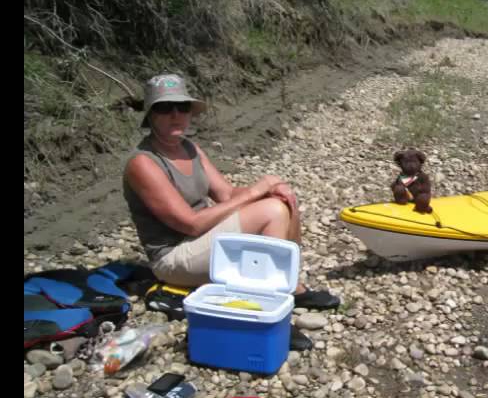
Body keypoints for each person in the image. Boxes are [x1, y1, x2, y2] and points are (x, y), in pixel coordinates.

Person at [122, 73, 339, 312]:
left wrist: (273, 190)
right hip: (174, 258)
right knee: (272, 210)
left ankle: (288, 286)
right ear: (151, 115)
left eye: (182, 107)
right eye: (165, 108)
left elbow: (226, 193)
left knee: (282, 200)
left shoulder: (189, 147)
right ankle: (271, 302)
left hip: (202, 240)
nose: (176, 115)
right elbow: (190, 224)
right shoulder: (143, 163)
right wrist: (257, 191)